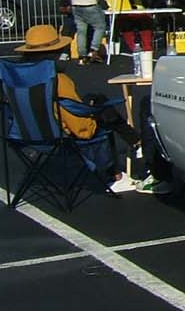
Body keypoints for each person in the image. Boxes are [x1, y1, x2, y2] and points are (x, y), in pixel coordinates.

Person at [10, 24, 140, 192]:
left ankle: (136, 142)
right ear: (54, 53)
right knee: (103, 108)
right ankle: (117, 173)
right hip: (60, 135)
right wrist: (94, 118)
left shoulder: (17, 79)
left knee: (93, 100)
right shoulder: (57, 80)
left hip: (26, 134)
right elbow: (80, 126)